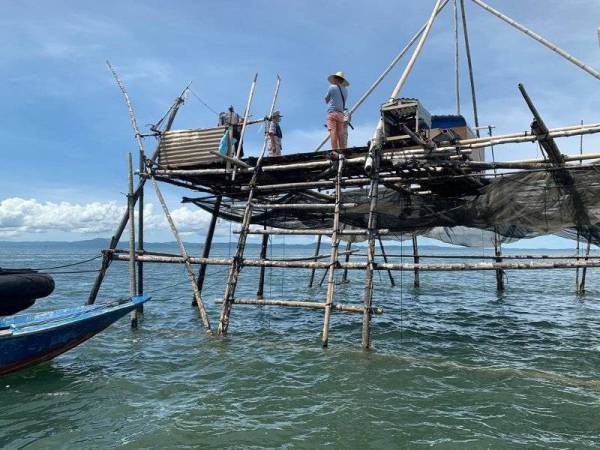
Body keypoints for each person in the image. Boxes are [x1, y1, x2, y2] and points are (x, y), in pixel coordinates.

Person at [324, 71, 350, 151]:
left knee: (333, 131)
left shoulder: (332, 87)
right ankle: (342, 150)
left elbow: (326, 99)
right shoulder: (345, 91)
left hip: (332, 112)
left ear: (336, 79)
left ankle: (334, 150)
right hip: (341, 114)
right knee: (340, 133)